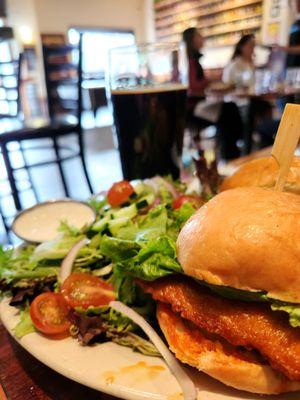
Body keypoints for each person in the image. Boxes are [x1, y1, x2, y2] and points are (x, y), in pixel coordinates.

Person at [182, 27, 243, 160]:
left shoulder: (193, 59)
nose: (202, 37)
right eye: (199, 35)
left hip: (197, 105)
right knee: (228, 110)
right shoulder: (192, 61)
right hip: (194, 109)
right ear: (192, 40)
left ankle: (230, 150)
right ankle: (231, 151)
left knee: (228, 109)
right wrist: (210, 80)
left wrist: (210, 83)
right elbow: (193, 86)